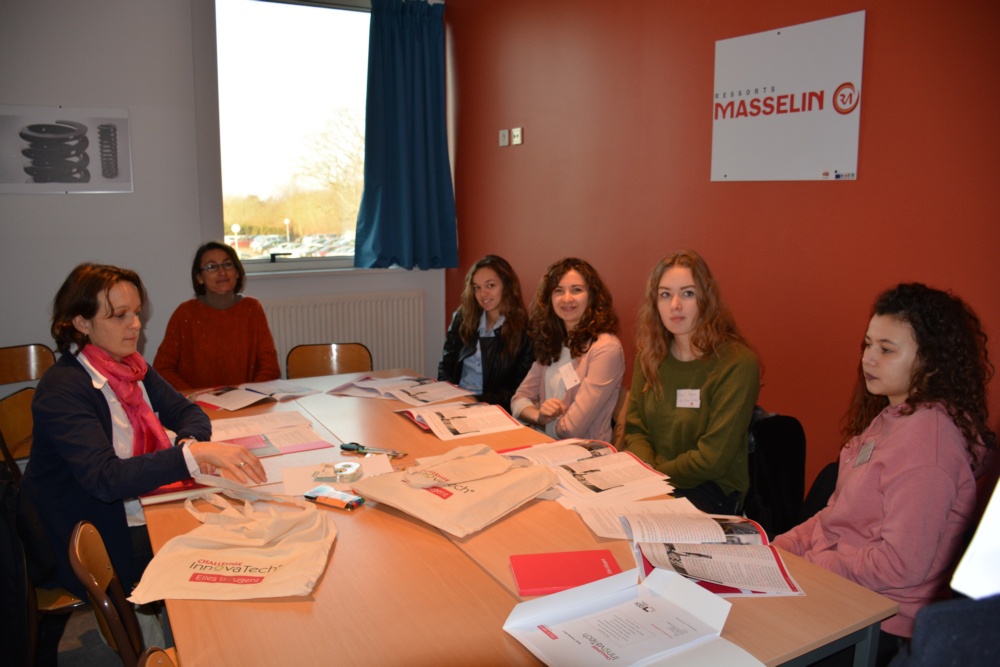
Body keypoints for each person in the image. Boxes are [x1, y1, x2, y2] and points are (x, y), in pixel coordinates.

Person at [774, 283, 995, 665]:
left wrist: (812, 562)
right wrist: (780, 549)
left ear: (931, 361)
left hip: (881, 620)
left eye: (887, 350)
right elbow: (835, 517)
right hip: (841, 590)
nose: (868, 359)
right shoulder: (894, 416)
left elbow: (899, 565)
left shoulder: (928, 443)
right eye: (868, 345)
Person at [20, 263, 267, 600]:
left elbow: (187, 411)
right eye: (120, 315)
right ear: (82, 323)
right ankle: (169, 624)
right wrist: (191, 455)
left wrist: (189, 442)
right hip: (92, 531)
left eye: (136, 313)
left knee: (238, 519)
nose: (135, 324)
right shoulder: (63, 389)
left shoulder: (131, 365)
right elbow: (106, 479)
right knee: (221, 545)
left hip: (134, 506)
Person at [621, 250, 759, 515]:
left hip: (709, 488)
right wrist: (646, 474)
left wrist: (653, 475)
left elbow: (712, 459)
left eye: (687, 293)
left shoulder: (737, 363)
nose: (675, 305)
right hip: (650, 480)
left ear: (706, 298)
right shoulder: (649, 357)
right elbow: (636, 431)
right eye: (665, 295)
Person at [510, 257, 624, 442]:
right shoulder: (555, 342)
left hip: (582, 451)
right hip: (543, 444)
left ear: (592, 295)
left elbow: (572, 430)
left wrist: (540, 421)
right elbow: (518, 399)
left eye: (576, 290)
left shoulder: (606, 349)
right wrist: (539, 417)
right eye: (558, 291)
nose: (567, 299)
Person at [153, 241, 280, 391]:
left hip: (247, 399)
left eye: (227, 264)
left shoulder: (252, 308)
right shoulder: (185, 313)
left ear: (237, 272)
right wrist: (193, 396)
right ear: (199, 277)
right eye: (211, 267)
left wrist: (250, 394)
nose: (222, 272)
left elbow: (270, 367)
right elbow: (162, 369)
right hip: (196, 402)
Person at [438, 255, 534, 412]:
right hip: (454, 402)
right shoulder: (463, 317)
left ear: (507, 286)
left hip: (491, 409)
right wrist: (447, 395)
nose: (483, 294)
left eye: (490, 285)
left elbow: (518, 390)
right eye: (477, 287)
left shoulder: (525, 331)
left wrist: (474, 400)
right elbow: (446, 366)